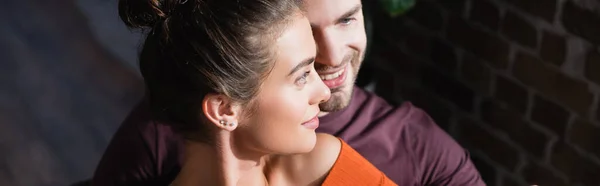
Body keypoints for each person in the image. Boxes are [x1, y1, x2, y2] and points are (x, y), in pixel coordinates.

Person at [93, 0, 485, 185]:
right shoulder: (156, 133)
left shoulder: (330, 161)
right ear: (223, 108)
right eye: (302, 73)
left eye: (347, 19)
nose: (323, 80)